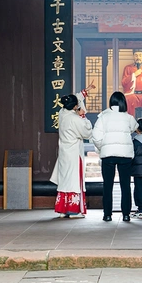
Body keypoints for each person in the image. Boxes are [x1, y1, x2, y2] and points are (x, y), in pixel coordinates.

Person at [50, 83, 95, 218]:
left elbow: (73, 99)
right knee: (75, 181)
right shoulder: (75, 119)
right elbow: (87, 132)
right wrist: (83, 116)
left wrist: (83, 93)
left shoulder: (62, 113)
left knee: (65, 181)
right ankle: (74, 210)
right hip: (74, 153)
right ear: (75, 107)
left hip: (64, 152)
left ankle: (63, 210)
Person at [91, 91, 138, 222]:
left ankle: (107, 214)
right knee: (125, 185)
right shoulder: (128, 117)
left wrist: (102, 148)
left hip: (108, 155)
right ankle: (126, 214)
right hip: (125, 155)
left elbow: (96, 136)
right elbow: (135, 127)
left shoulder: (103, 117)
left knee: (107, 185)